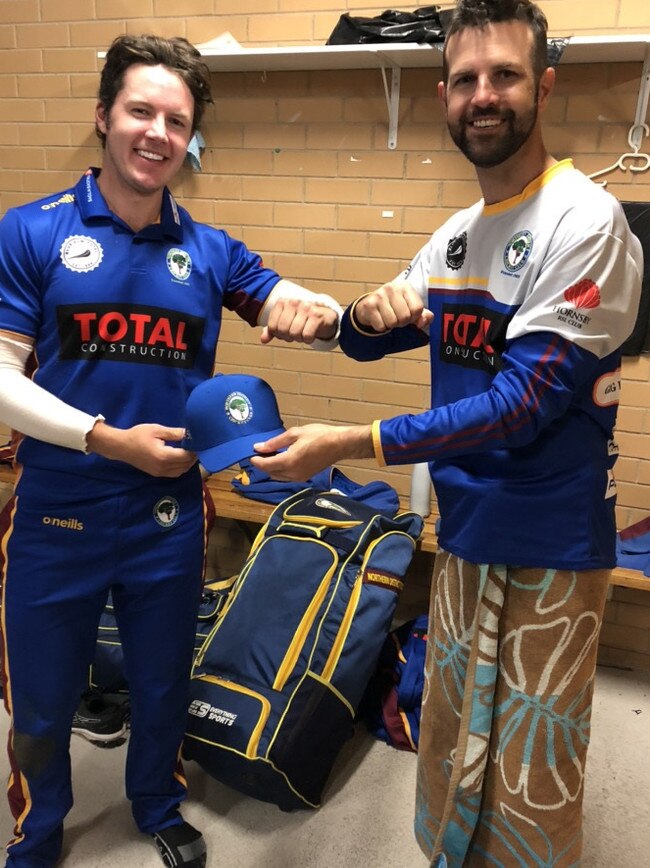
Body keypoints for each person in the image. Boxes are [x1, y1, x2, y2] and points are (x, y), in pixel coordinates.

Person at [251, 1, 643, 864]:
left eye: (503, 74)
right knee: (454, 728)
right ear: (443, 95)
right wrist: (354, 308)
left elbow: (523, 404)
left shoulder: (586, 224)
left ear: (542, 86)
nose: (483, 95)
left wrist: (350, 442)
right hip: (465, 532)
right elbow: (363, 335)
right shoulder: (457, 237)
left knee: (532, 761)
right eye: (465, 79)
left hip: (552, 546)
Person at [0, 34, 342, 868]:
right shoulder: (30, 232)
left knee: (162, 685)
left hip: (167, 513)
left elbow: (286, 298)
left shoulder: (213, 250)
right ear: (104, 117)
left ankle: (156, 801)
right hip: (56, 511)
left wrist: (318, 307)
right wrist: (105, 438)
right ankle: (38, 830)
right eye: (140, 111)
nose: (157, 133)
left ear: (191, 137)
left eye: (176, 120)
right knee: (41, 702)